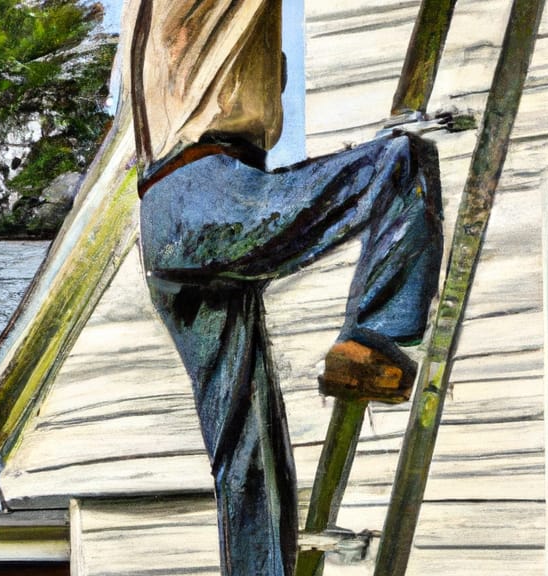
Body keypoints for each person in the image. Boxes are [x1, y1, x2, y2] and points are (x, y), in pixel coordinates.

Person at [130, 2, 444, 574]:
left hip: (160, 215)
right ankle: (375, 339)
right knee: (400, 165)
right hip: (210, 190)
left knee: (246, 445)